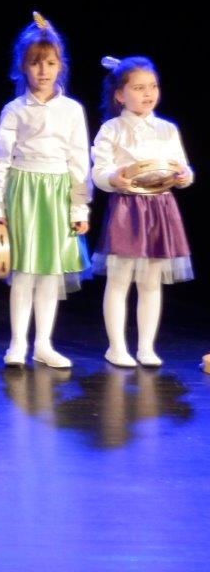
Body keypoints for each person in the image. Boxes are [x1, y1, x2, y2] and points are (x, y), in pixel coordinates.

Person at [0, 12, 91, 369]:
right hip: (24, 194)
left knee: (49, 272)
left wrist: (79, 208)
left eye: (50, 63)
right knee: (24, 272)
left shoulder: (72, 110)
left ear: (60, 66)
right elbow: (0, 161)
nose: (43, 71)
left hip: (57, 195)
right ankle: (17, 344)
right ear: (23, 67)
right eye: (35, 63)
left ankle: (44, 344)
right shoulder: (14, 110)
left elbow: (79, 162)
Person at [92, 55, 193, 367]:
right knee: (120, 279)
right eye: (138, 88)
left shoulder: (167, 129)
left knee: (150, 281)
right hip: (128, 207)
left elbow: (182, 167)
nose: (148, 93)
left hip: (160, 207)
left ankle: (146, 347)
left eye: (153, 86)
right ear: (120, 95)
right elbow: (99, 170)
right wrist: (113, 178)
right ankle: (116, 347)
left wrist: (184, 176)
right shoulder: (112, 129)